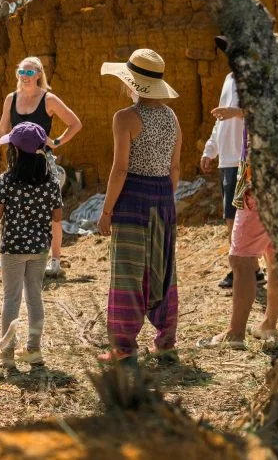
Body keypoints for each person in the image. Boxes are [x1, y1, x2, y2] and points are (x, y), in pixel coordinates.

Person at [199, 34, 278, 349]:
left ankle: (235, 334)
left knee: (240, 260)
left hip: (259, 194)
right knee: (273, 259)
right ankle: (269, 324)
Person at [97, 49, 182, 363]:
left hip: (132, 198)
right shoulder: (172, 118)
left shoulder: (125, 118)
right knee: (163, 270)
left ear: (131, 82)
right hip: (163, 197)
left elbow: (120, 169)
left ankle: (122, 347)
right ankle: (166, 342)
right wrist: (164, 199)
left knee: (128, 272)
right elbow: (175, 167)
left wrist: (106, 211)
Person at [0, 57, 82, 277]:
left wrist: (55, 142)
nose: (24, 77)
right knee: (12, 207)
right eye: (21, 72)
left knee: (53, 211)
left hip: (42, 163)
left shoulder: (48, 99)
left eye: (29, 72)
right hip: (16, 161)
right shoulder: (11, 98)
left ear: (38, 74)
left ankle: (55, 260)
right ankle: (10, 253)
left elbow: (75, 123)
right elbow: (1, 131)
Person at [0, 122, 62, 365]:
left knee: (11, 299)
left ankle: (7, 354)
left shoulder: (6, 180)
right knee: (34, 297)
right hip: (39, 249)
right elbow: (57, 216)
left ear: (15, 150)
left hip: (13, 248)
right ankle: (34, 349)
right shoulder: (51, 182)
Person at [201, 36, 261, 290]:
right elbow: (220, 121)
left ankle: (241, 269)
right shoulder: (229, 79)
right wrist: (210, 150)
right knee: (232, 216)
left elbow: (261, 113)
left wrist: (235, 112)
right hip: (227, 160)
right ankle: (251, 269)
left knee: (234, 217)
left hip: (243, 160)